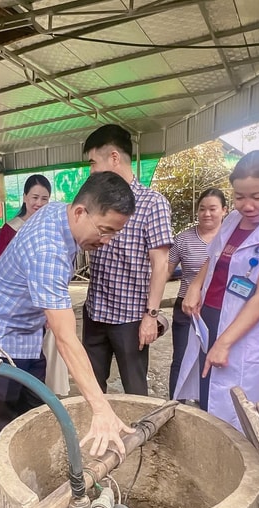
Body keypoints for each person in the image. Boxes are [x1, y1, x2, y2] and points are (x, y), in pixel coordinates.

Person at [0, 171, 137, 487]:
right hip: (0, 342)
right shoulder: (48, 250)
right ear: (79, 212)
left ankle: (37, 482)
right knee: (1, 428)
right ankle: (8, 502)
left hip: (30, 336)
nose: (106, 242)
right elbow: (65, 336)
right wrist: (100, 407)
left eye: (114, 234)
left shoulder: (61, 212)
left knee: (35, 414)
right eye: (105, 231)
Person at [175, 150, 259, 429]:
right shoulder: (234, 220)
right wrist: (195, 287)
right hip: (209, 318)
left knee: (242, 414)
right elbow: (212, 258)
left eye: (257, 197)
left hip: (245, 330)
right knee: (208, 395)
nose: (247, 205)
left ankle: (248, 469)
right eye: (239, 197)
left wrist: (224, 342)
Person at [83, 124, 174, 396]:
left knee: (135, 391)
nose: (91, 171)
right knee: (91, 386)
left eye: (92, 162)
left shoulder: (151, 202)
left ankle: (140, 438)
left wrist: (151, 316)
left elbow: (160, 263)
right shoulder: (96, 201)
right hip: (95, 312)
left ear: (113, 157)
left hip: (130, 318)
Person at [167, 188, 227, 395]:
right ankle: (175, 407)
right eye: (202, 209)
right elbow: (164, 270)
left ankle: (206, 409)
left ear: (224, 211)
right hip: (186, 307)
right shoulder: (183, 239)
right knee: (181, 359)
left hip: (218, 309)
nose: (207, 214)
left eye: (213, 209)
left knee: (212, 359)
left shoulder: (231, 240)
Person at [0, 174, 50, 257]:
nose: (39, 203)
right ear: (25, 197)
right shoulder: (10, 229)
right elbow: (2, 263)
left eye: (44, 199)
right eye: (35, 197)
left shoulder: (51, 227)